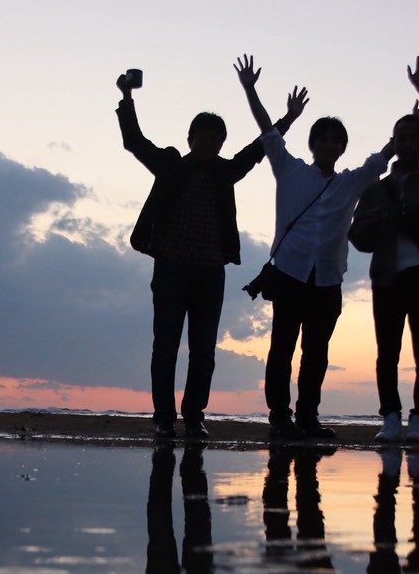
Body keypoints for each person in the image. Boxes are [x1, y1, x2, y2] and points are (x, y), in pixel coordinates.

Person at [119, 69, 305, 439]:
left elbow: (257, 151)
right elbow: (135, 142)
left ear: (221, 143)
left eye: (216, 137)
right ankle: (163, 418)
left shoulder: (225, 171)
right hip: (171, 267)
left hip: (209, 272)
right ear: (190, 139)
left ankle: (194, 415)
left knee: (204, 349)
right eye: (202, 136)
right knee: (166, 345)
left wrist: (288, 119)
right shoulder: (172, 164)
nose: (208, 142)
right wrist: (127, 98)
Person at [238, 54, 394, 441]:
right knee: (281, 349)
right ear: (312, 144)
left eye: (335, 139)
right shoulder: (291, 170)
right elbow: (267, 132)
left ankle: (307, 417)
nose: (328, 144)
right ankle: (279, 417)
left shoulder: (350, 183)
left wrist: (409, 128)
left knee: (317, 354)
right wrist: (251, 89)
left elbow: (381, 159)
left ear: (342, 147)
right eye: (322, 138)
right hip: (290, 274)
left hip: (327, 280)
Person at [354, 56, 419, 445]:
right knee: (387, 353)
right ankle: (391, 417)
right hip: (386, 277)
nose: (409, 143)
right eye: (402, 138)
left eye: (415, 138)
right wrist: (379, 221)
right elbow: (358, 237)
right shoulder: (375, 187)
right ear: (393, 143)